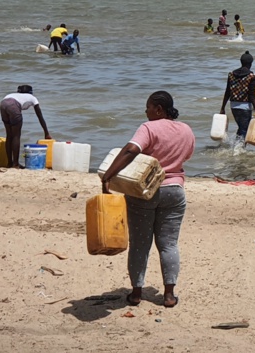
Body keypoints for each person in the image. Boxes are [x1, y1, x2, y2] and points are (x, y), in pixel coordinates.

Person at [100, 91, 195, 309]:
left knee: (140, 244)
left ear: (159, 109)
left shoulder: (149, 128)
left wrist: (108, 176)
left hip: (145, 193)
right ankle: (169, 295)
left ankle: (136, 294)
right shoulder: (186, 129)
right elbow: (187, 156)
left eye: (148, 107)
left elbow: (131, 149)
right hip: (175, 191)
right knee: (169, 244)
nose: (146, 111)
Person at [0, 85, 51, 169]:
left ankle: (9, 163)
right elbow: (40, 116)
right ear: (30, 92)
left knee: (9, 135)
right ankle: (15, 164)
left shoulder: (14, 95)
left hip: (3, 103)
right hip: (13, 105)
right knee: (16, 136)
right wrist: (46, 133)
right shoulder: (32, 98)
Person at [220, 51, 255, 142]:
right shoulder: (252, 77)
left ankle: (235, 145)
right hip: (245, 107)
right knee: (245, 130)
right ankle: (238, 148)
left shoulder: (231, 74)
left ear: (241, 62)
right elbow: (252, 95)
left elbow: (227, 92)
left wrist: (223, 108)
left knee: (242, 128)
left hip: (233, 106)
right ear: (251, 63)